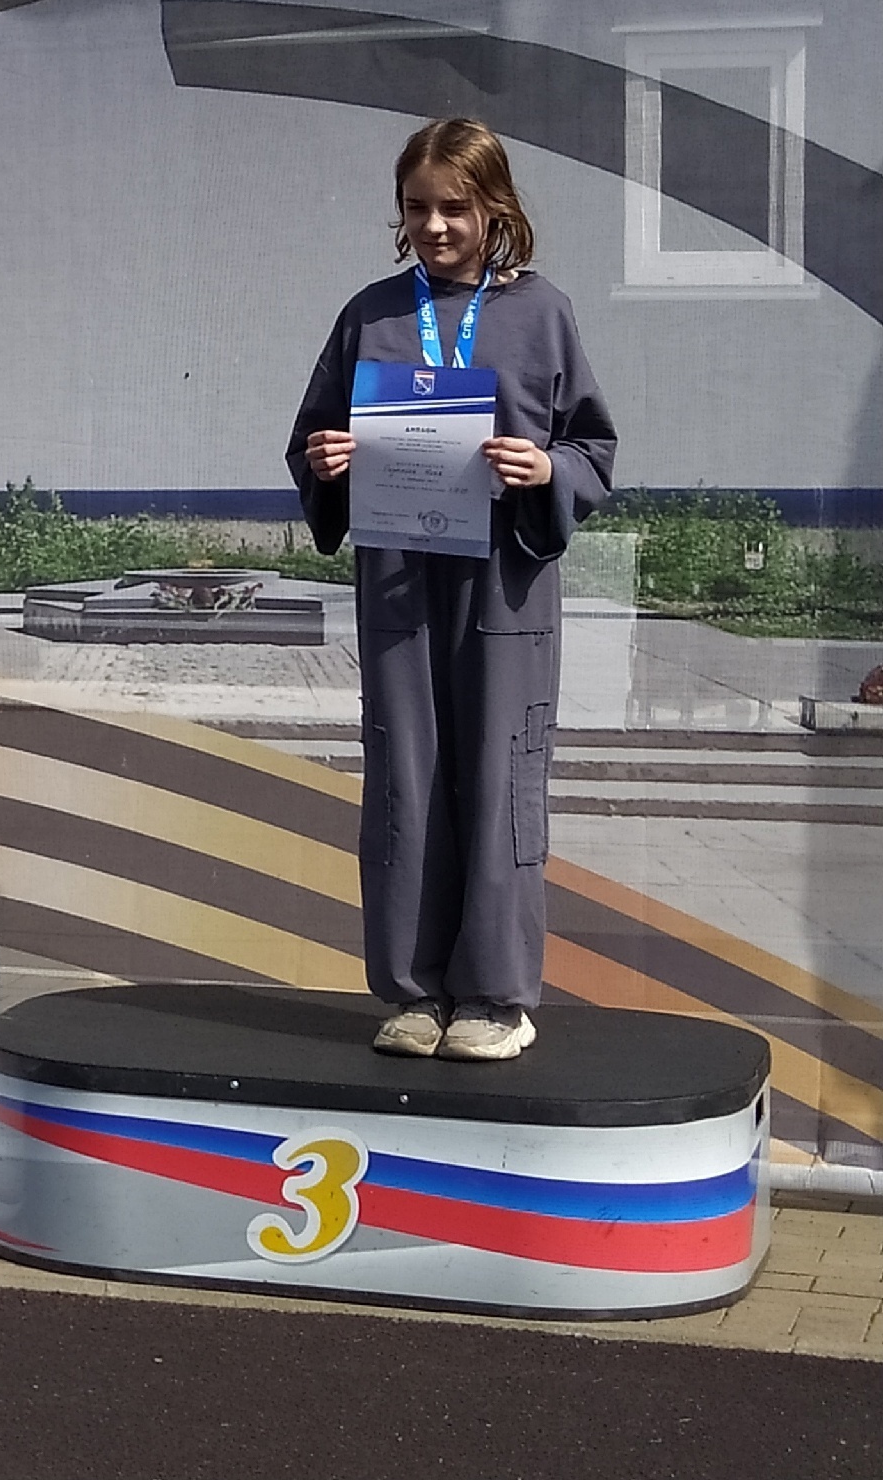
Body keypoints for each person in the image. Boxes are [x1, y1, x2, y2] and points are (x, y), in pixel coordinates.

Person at [287, 118, 616, 1062]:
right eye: (417, 207)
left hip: (504, 589)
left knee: (501, 776)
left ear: (494, 208)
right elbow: (312, 439)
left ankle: (497, 999)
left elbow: (592, 448)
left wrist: (547, 470)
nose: (434, 226)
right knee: (406, 775)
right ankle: (413, 991)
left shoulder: (542, 313)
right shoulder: (371, 316)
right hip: (400, 587)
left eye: (454, 208)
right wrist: (328, 460)